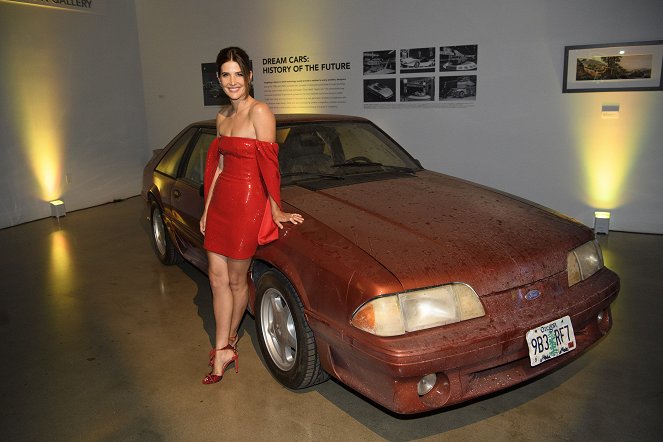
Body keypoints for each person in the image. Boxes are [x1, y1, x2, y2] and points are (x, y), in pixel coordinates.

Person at [199, 46, 304, 384]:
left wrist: (276, 208)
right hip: (221, 204)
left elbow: (269, 165)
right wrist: (206, 209)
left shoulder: (261, 112)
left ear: (250, 77)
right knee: (216, 279)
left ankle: (229, 340)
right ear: (218, 79)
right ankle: (223, 348)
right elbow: (218, 167)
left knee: (235, 279)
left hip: (247, 202)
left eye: (238, 74)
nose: (233, 81)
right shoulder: (221, 118)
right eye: (226, 74)